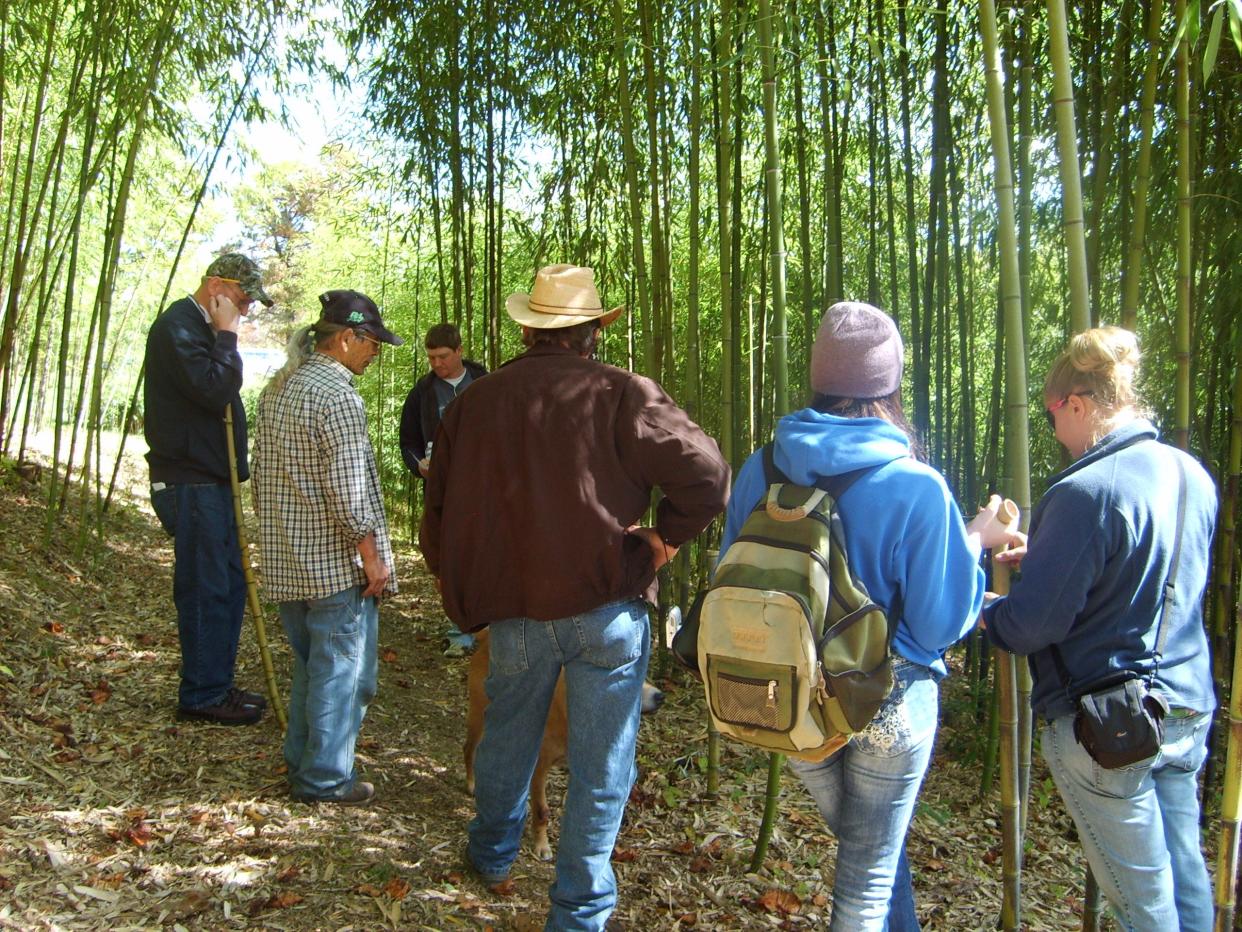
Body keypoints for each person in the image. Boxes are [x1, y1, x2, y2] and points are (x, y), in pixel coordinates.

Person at [420, 263, 729, 930]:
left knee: (506, 734)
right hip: (607, 607)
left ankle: (493, 854)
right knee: (602, 760)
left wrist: (460, 587)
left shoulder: (475, 400)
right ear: (592, 331)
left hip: (515, 610)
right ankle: (580, 910)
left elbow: (438, 513)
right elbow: (707, 477)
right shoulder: (623, 393)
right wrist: (663, 540)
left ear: (529, 327)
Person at [720, 301, 1008, 931]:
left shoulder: (760, 468)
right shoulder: (916, 485)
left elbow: (731, 582)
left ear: (818, 378)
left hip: (785, 700)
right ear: (890, 387)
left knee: (868, 849)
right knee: (867, 876)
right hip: (888, 702)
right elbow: (938, 625)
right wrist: (974, 548)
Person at [983, 326, 1217, 931]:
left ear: (1078, 404)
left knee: (1143, 906)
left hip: (1110, 727)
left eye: (1054, 416)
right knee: (1186, 881)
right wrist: (1050, 558)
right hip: (1186, 709)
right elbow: (1144, 575)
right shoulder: (1192, 476)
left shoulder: (1085, 489)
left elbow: (1031, 626)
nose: (1056, 435)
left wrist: (982, 609)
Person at [252, 290, 403, 806]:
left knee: (311, 665)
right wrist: (370, 554)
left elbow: (264, 480)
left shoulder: (280, 387)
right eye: (372, 343)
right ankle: (323, 779)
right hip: (334, 564)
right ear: (345, 338)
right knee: (346, 673)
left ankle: (303, 761)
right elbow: (346, 487)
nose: (375, 353)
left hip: (287, 558)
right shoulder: (337, 394)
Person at [144, 252, 273, 726]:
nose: (246, 309)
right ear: (217, 284)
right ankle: (201, 692)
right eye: (242, 297)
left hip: (210, 481)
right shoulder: (178, 326)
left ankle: (215, 681)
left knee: (228, 585)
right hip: (190, 481)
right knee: (205, 587)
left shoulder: (201, 329)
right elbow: (213, 388)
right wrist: (227, 334)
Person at [399, 322, 487, 480]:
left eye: (443, 357)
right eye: (431, 358)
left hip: (482, 483)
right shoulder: (421, 393)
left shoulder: (484, 384)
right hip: (440, 487)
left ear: (459, 350)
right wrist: (419, 465)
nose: (436, 363)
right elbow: (408, 443)